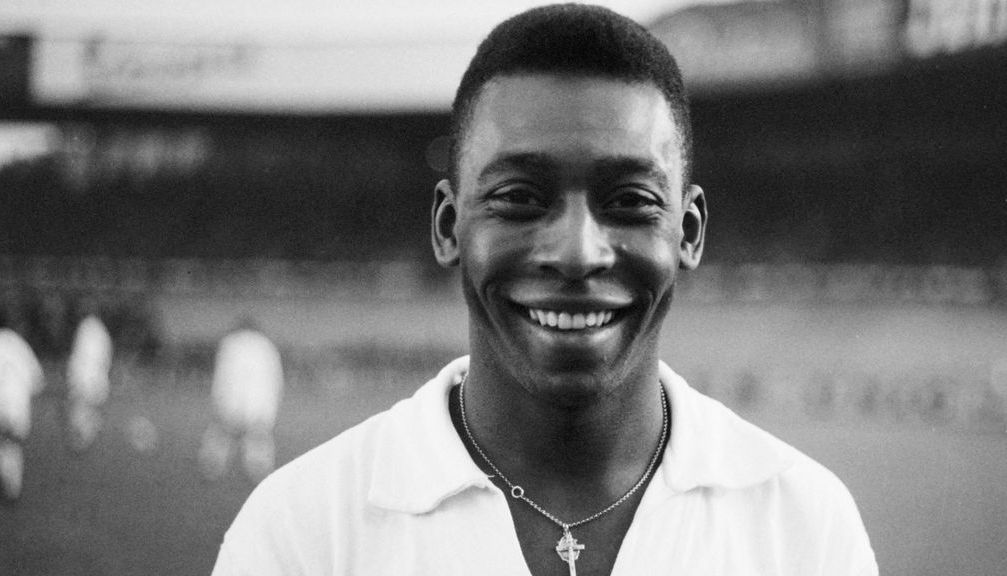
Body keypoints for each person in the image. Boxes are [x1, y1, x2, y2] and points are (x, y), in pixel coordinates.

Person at [211, 4, 878, 575]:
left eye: (631, 199)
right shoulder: (300, 533)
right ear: (448, 226)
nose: (577, 253)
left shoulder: (805, 530)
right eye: (520, 197)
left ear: (690, 230)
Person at [198, 318, 284, 482]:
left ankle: (212, 467)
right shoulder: (266, 345)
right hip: (259, 399)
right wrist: (271, 403)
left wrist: (219, 399)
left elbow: (223, 375)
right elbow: (275, 378)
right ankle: (259, 471)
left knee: (223, 431)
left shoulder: (230, 344)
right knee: (258, 435)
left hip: (233, 396)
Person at [0, 322, 45, 501]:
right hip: (18, 411)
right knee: (10, 445)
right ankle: (10, 486)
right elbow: (38, 382)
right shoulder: (20, 344)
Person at [66, 310, 114, 451]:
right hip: (94, 378)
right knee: (86, 409)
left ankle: (83, 436)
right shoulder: (97, 331)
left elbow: (83, 357)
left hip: (87, 377)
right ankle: (85, 435)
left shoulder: (89, 329)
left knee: (83, 408)